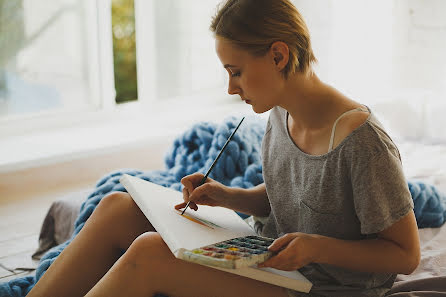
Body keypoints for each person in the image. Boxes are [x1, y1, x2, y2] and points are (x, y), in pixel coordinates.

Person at [27, 0, 420, 296]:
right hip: (269, 257)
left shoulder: (362, 142)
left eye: (236, 72)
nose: (232, 88)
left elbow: (405, 254)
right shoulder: (281, 113)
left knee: (149, 252)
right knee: (116, 206)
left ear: (279, 55)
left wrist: (317, 248)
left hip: (319, 287)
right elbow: (300, 197)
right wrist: (228, 196)